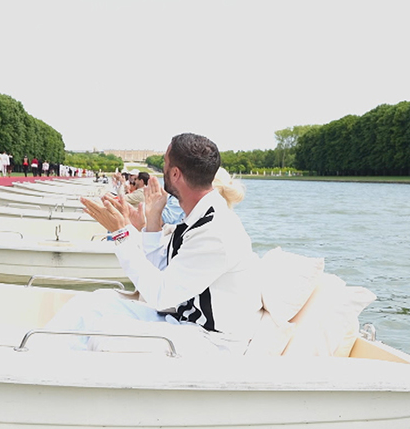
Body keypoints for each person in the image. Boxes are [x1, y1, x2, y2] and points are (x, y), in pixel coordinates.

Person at [46, 133, 261, 355]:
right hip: (182, 320)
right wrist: (153, 220)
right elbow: (162, 271)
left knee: (104, 334)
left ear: (175, 174)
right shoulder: (198, 217)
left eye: (165, 165)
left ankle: (48, 370)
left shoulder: (216, 231)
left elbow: (160, 296)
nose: (161, 172)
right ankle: (40, 356)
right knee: (90, 305)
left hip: (212, 339)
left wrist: (121, 234)